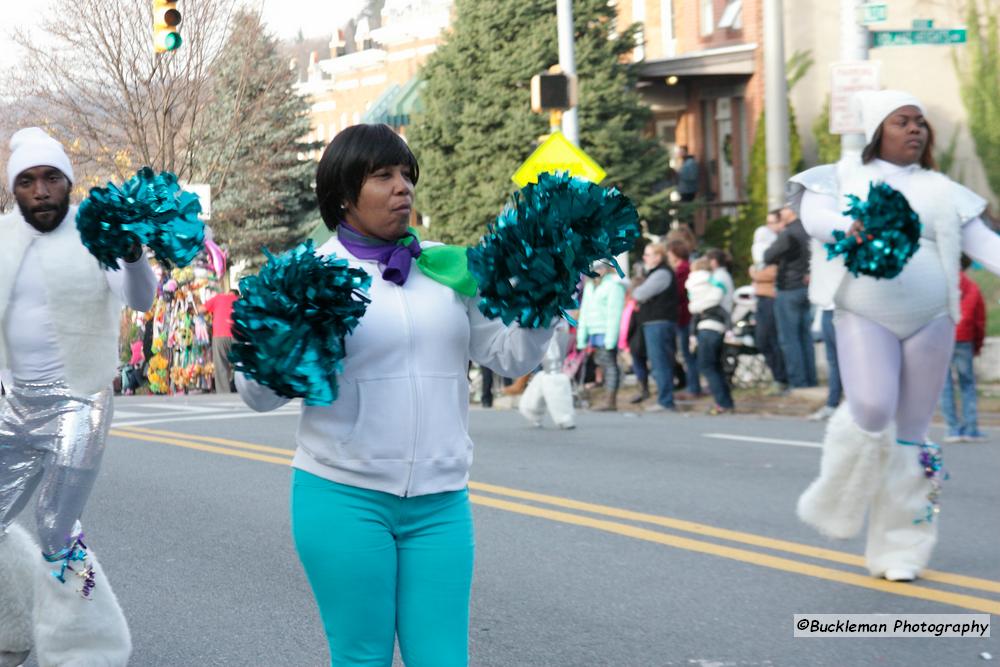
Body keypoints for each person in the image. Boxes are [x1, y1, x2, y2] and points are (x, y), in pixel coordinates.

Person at [235, 124, 554, 667]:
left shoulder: (447, 267)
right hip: (342, 497)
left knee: (444, 658)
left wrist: (546, 299)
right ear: (342, 193)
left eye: (407, 174)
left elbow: (510, 356)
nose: (402, 187)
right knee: (362, 657)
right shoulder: (311, 276)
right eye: (383, 176)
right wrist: (287, 340)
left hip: (441, 501)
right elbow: (256, 395)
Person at [792, 90, 1000, 582]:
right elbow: (814, 220)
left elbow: (987, 247)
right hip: (865, 313)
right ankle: (837, 503)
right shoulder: (842, 177)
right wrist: (854, 222)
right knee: (870, 408)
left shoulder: (943, 189)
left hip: (934, 319)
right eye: (902, 121)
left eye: (920, 123)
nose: (915, 130)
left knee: (913, 435)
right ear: (876, 130)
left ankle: (902, 550)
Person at [0, 127, 156, 666]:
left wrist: (133, 255)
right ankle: (13, 626)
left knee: (57, 531)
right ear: (14, 189)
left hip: (78, 404)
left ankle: (89, 647)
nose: (40, 190)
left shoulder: (97, 237)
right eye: (27, 181)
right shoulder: (2, 240)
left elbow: (141, 298)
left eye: (50, 178)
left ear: (68, 183)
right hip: (14, 405)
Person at [764, 204, 817, 389]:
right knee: (805, 338)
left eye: (785, 208)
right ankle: (810, 379)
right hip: (805, 287)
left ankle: (799, 382)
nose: (781, 212)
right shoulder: (809, 229)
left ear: (792, 211)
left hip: (789, 287)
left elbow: (768, 255)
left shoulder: (789, 233)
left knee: (790, 339)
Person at [939, 255, 987, 443]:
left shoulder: (939, 286)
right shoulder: (972, 288)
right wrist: (978, 344)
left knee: (945, 385)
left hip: (942, 338)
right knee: (967, 384)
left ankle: (952, 428)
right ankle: (971, 428)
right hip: (964, 338)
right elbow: (979, 320)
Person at [629, 242, 679, 412]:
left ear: (658, 256)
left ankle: (665, 400)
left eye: (648, 254)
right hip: (654, 322)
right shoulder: (656, 273)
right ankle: (664, 398)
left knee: (660, 362)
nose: (645, 258)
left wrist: (639, 290)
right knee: (658, 361)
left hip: (659, 322)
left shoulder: (662, 273)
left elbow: (639, 293)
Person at [687, 251, 735, 415]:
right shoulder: (716, 280)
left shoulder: (703, 283)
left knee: (707, 366)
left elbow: (697, 307)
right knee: (716, 366)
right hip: (719, 327)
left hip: (707, 328)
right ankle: (726, 402)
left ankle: (722, 403)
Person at [576, 263, 626, 411]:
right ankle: (607, 398)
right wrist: (582, 337)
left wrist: (611, 339)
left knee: (609, 364)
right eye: (595, 268)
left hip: (606, 331)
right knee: (601, 364)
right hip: (594, 331)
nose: (598, 271)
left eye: (601, 267)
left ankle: (610, 401)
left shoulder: (614, 285)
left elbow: (614, 314)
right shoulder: (590, 286)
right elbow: (584, 312)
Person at [749, 210, 788, 394]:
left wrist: (755, 274)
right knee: (763, 340)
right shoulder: (764, 245)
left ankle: (782, 378)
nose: (769, 227)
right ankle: (779, 376)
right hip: (762, 297)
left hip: (772, 297)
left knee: (770, 339)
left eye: (773, 222)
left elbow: (771, 273)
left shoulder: (780, 244)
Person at [518, 320, 575, 429]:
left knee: (552, 368)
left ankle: (532, 409)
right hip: (542, 319)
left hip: (554, 320)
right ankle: (563, 416)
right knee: (553, 368)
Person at [667, 239, 702, 399]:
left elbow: (678, 293)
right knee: (685, 353)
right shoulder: (682, 269)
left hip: (683, 316)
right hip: (682, 315)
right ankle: (690, 384)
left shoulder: (682, 270)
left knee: (687, 353)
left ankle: (693, 387)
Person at [201, 288, 239, 393]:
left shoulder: (219, 298)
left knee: (221, 365)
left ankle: (224, 393)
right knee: (241, 364)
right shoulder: (239, 301)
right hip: (237, 336)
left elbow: (201, 309)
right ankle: (245, 389)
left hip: (220, 335)